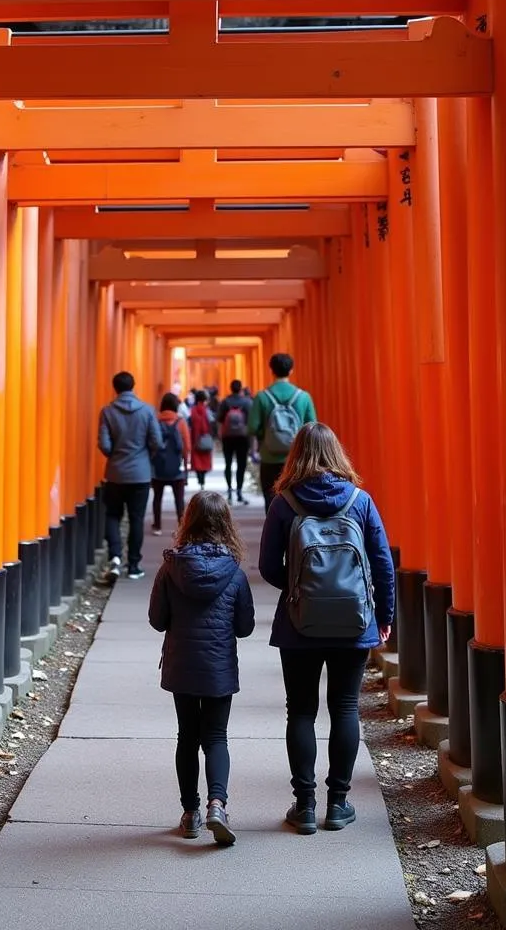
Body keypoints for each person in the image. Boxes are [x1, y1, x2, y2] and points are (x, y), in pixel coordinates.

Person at [258, 423, 395, 834]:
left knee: (300, 710)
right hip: (354, 622)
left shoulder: (284, 503)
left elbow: (268, 567)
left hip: (299, 625)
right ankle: (338, 804)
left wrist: (299, 590)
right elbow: (383, 563)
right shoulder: (360, 501)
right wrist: (384, 615)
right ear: (338, 454)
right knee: (345, 708)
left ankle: (304, 806)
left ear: (295, 454)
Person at [148, 491, 255, 846]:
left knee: (186, 737)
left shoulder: (170, 568)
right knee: (216, 738)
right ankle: (217, 805)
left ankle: (190, 812)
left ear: (187, 521)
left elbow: (156, 620)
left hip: (182, 664)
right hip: (218, 666)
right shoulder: (234, 573)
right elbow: (245, 627)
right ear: (226, 524)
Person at [97, 371, 164, 582]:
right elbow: (157, 441)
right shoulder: (147, 411)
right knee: (136, 519)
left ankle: (115, 557)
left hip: (115, 473)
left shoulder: (108, 412)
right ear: (133, 386)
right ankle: (134, 565)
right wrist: (144, 456)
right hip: (140, 474)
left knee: (113, 515)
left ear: (114, 388)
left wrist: (116, 455)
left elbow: (104, 444)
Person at [247, 352, 317, 511]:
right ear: (291, 370)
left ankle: (274, 531)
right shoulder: (303, 397)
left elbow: (252, 427)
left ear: (271, 370)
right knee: (297, 500)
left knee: (271, 498)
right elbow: (312, 427)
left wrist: (262, 439)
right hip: (296, 458)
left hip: (269, 457)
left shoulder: (262, 397)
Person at [152, 392, 191, 536]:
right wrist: (186, 466)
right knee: (179, 500)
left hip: (158, 467)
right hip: (177, 467)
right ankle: (181, 528)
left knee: (157, 498)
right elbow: (186, 446)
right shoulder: (180, 422)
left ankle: (157, 526)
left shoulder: (156, 421)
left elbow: (152, 443)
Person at [217, 379, 252, 505]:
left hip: (228, 437)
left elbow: (219, 418)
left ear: (230, 388)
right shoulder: (247, 402)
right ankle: (239, 491)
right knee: (241, 465)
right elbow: (251, 420)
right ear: (241, 388)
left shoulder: (225, 402)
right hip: (243, 437)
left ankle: (229, 492)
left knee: (228, 463)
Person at [188, 389, 214, 488]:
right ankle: (203, 479)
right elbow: (211, 423)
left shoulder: (193, 410)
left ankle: (200, 478)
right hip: (205, 437)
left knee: (197, 459)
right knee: (205, 459)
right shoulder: (207, 410)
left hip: (195, 438)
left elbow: (190, 423)